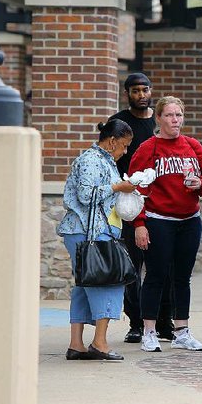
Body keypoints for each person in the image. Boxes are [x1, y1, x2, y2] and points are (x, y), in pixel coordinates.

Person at [129, 96, 202, 352]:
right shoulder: (149, 148)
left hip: (189, 221)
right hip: (159, 220)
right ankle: (149, 331)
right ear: (158, 118)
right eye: (169, 115)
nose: (174, 120)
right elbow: (135, 189)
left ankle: (182, 331)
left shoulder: (192, 145)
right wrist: (139, 224)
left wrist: (200, 184)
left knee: (183, 278)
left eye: (178, 115)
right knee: (155, 275)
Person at [57, 119, 138, 361]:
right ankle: (100, 343)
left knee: (85, 285)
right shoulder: (92, 159)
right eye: (123, 146)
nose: (124, 151)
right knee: (107, 282)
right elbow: (85, 195)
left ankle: (76, 345)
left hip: (88, 231)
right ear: (112, 141)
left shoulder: (103, 160)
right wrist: (118, 187)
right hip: (89, 231)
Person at [108, 72, 175, 344]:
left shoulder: (159, 124)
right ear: (127, 93)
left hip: (159, 204)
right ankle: (136, 322)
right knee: (132, 267)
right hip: (128, 203)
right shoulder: (119, 122)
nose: (140, 94)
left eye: (144, 89)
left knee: (162, 266)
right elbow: (110, 158)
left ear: (151, 91)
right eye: (135, 90)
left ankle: (163, 321)